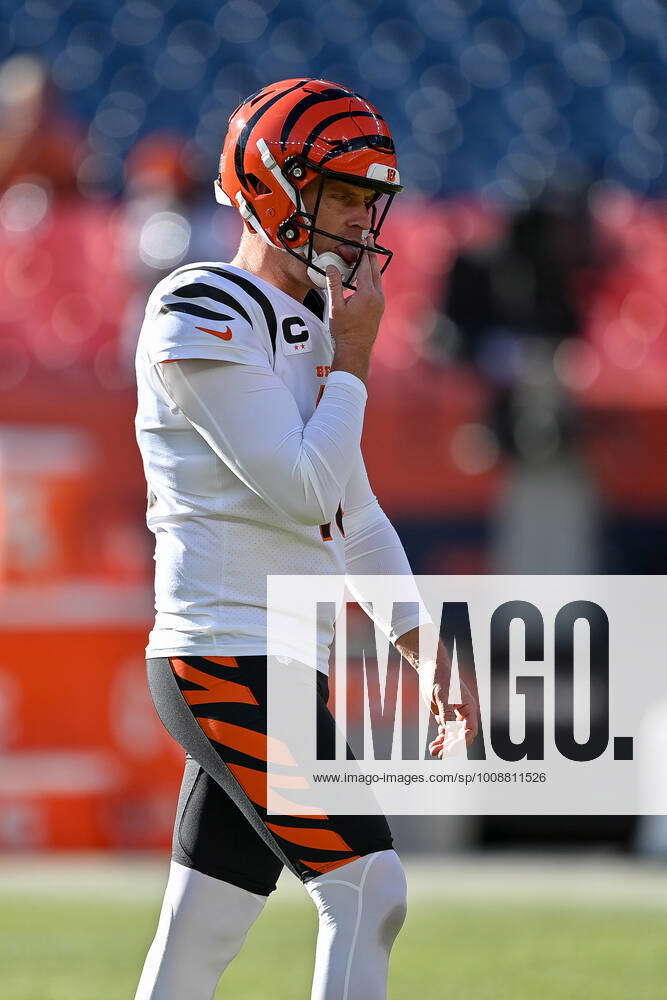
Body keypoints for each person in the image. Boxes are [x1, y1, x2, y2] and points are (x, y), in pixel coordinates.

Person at [133, 78, 478, 1000]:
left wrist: (420, 649)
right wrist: (354, 365)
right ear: (269, 185)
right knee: (368, 887)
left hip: (282, 653)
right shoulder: (201, 304)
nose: (361, 219)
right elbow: (297, 491)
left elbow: (351, 514)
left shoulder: (310, 323)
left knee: (204, 927)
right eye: (340, 192)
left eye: (371, 198)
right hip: (224, 651)